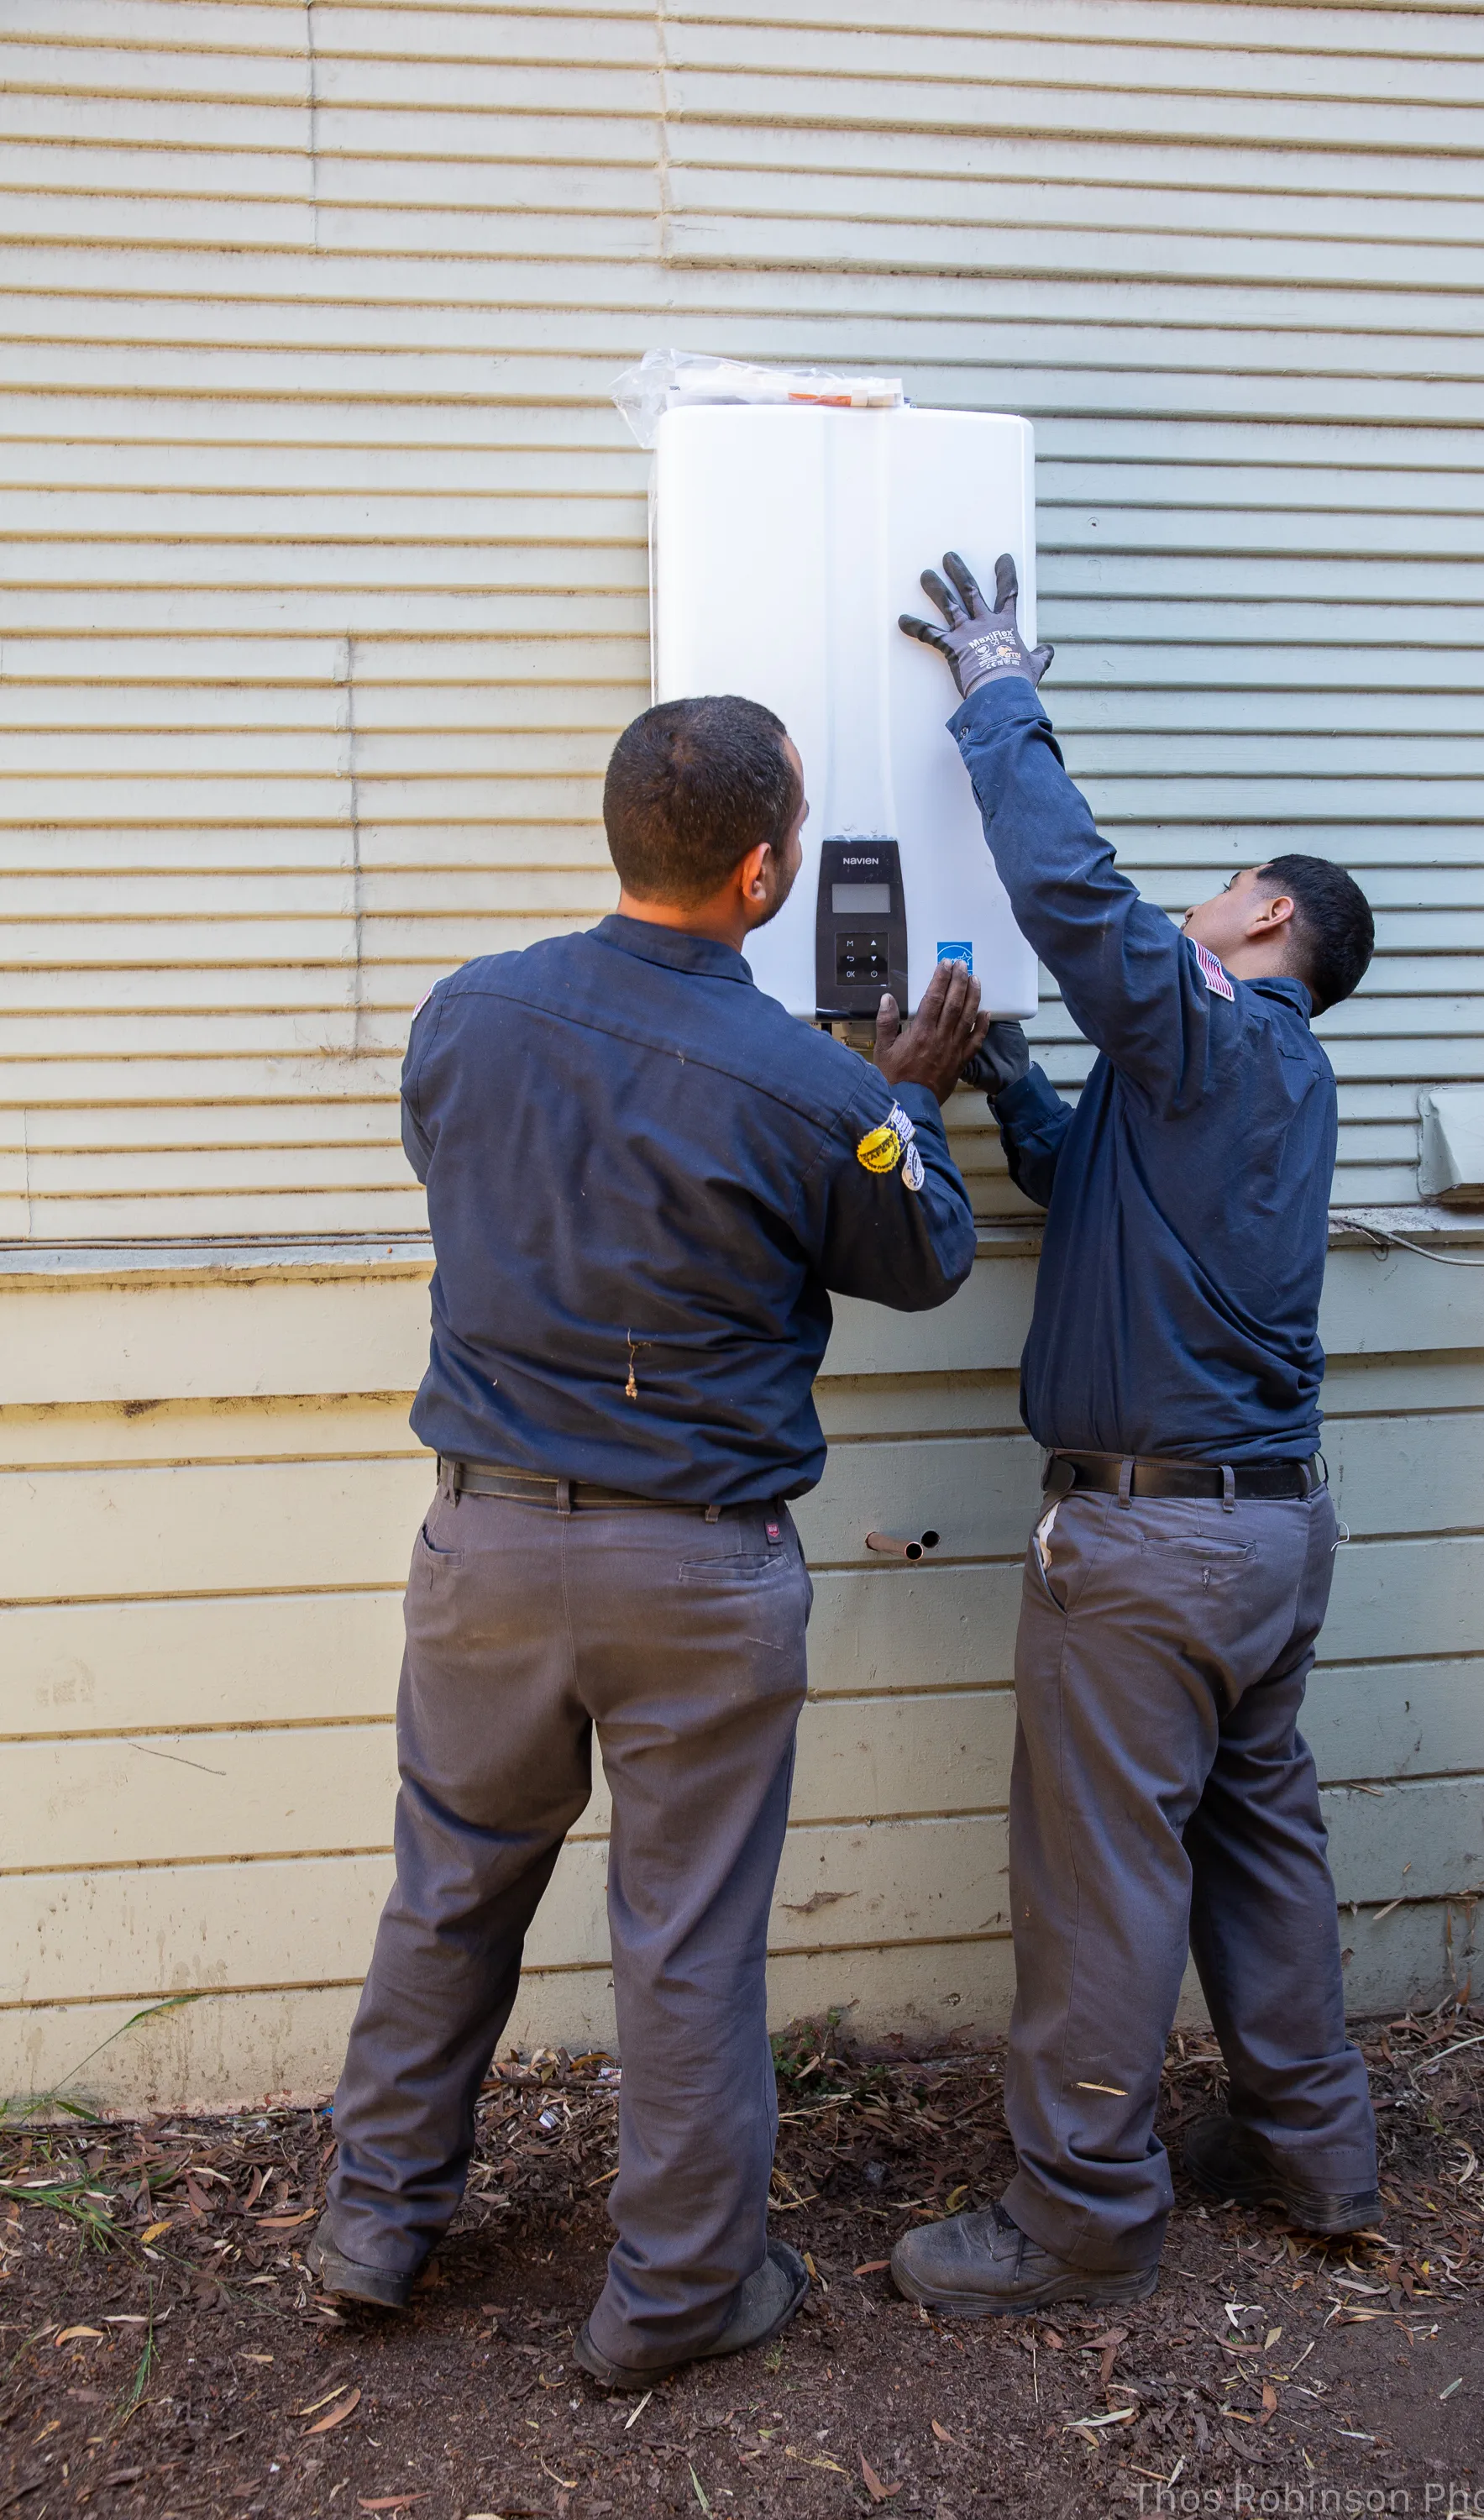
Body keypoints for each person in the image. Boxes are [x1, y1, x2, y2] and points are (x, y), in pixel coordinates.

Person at [307, 692, 987, 2385]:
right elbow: (923, 1260)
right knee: (683, 1941)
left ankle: (374, 2228)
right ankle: (678, 2295)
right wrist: (903, 1099)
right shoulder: (814, 1089)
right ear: (761, 873)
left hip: (484, 1545)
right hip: (697, 1571)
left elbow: (454, 1166)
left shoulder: (467, 1013)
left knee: (449, 1890)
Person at [889, 554, 1381, 2315]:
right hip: (1268, 1538)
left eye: (1229, 883)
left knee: (1101, 1878)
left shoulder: (1214, 1031)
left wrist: (997, 691)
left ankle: (1081, 2217)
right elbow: (1089, 1181)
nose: (1203, 896)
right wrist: (999, 1079)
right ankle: (1313, 2147)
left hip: (1154, 1547)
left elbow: (1076, 897)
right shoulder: (1259, 1080)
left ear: (1265, 918)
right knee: (1258, 1843)